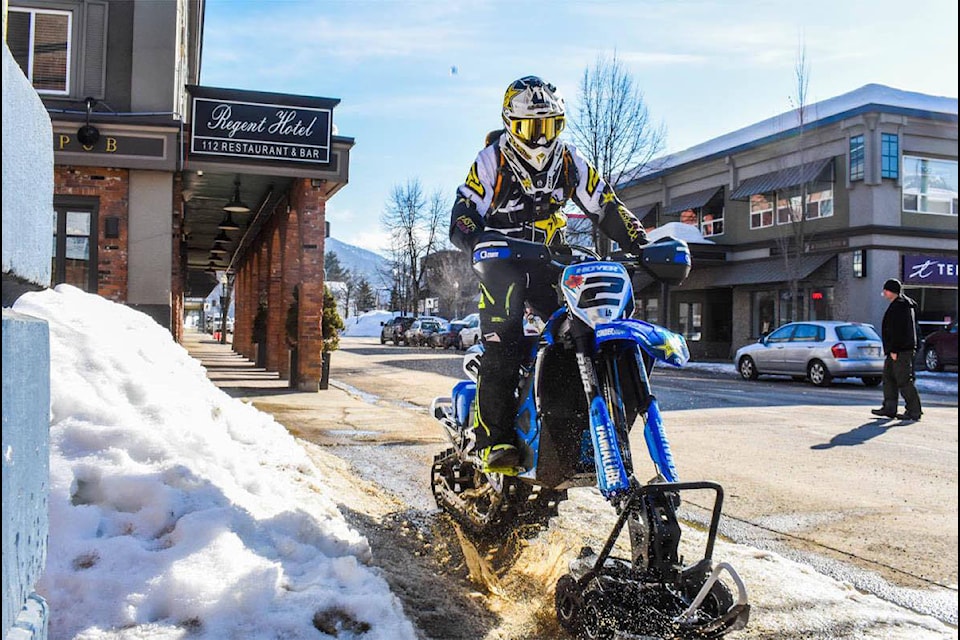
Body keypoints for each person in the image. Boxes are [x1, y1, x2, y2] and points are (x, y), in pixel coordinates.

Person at [449, 75, 648, 473]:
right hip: (502, 263)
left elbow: (605, 205)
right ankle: (496, 441)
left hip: (553, 260)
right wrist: (477, 242)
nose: (540, 139)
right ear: (510, 124)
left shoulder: (571, 160)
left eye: (549, 126)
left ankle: (580, 426)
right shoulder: (493, 159)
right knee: (504, 346)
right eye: (530, 127)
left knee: (584, 333)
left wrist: (640, 242)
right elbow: (462, 216)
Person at [872, 278, 923, 421]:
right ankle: (889, 408)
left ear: (891, 291)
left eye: (885, 290)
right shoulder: (901, 304)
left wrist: (894, 349)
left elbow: (898, 330)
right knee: (888, 378)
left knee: (904, 380)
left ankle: (914, 411)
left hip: (900, 350)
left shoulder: (900, 306)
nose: (884, 293)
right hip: (896, 349)